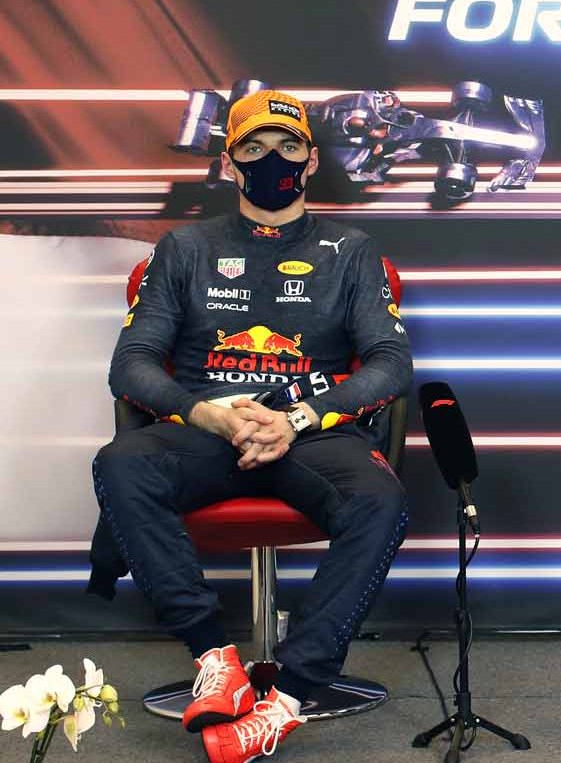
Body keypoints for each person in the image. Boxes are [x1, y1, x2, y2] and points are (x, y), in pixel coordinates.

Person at [91, 89, 412, 762]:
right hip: (208, 430)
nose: (274, 159)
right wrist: (207, 411)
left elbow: (389, 363)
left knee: (382, 500)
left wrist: (297, 417)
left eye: (289, 146)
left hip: (309, 434)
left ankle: (286, 698)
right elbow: (132, 366)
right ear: (230, 162)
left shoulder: (350, 250)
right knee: (120, 462)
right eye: (254, 147)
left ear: (312, 158)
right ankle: (214, 658)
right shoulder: (183, 248)